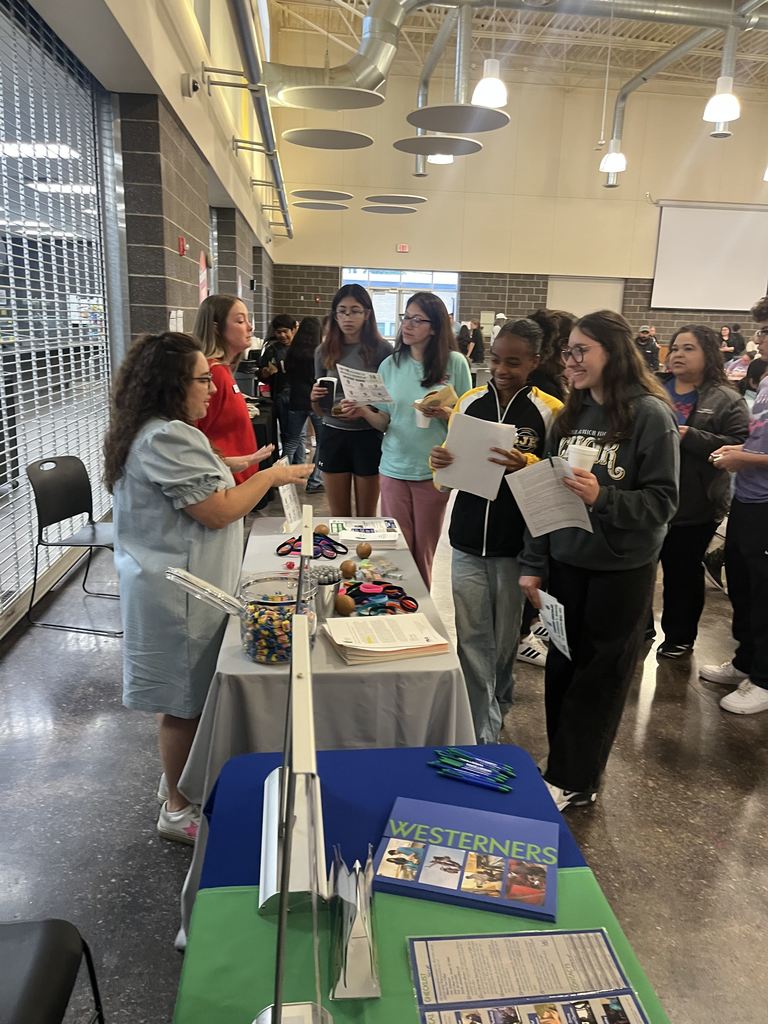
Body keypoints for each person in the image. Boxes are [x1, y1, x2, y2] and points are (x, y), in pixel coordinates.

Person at [103, 333, 312, 843]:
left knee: (188, 696)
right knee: (183, 703)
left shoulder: (162, 432)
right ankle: (177, 809)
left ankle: (177, 783)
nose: (213, 390)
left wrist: (241, 465)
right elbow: (217, 510)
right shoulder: (166, 436)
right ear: (173, 384)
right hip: (177, 594)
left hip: (182, 585)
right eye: (202, 380)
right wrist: (273, 477)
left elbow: (201, 481)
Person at [518, 310, 679, 811]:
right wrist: (534, 561)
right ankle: (565, 767)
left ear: (614, 351)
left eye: (580, 351)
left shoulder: (650, 415)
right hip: (566, 562)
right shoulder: (570, 415)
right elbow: (544, 494)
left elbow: (663, 503)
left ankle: (574, 778)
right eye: (567, 352)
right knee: (563, 668)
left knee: (600, 678)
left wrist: (602, 497)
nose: (571, 362)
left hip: (620, 570)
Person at [430, 318, 562, 742]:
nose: (502, 369)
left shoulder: (551, 412)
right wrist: (439, 467)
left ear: (534, 362)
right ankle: (479, 729)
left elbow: (559, 481)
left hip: (514, 547)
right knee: (471, 639)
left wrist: (525, 464)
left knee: (503, 643)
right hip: (466, 539)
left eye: (514, 362)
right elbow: (445, 477)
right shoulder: (469, 402)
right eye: (496, 360)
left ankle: (498, 704)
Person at [351, 291, 471, 587]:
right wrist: (364, 410)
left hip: (433, 471)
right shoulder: (390, 365)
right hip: (392, 467)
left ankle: (421, 615)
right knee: (396, 553)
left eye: (418, 319)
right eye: (406, 317)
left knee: (423, 552)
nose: (408, 324)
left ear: (435, 327)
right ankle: (395, 609)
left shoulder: (454, 363)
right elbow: (384, 421)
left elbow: (467, 420)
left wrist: (445, 413)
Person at [655, 325, 749, 658]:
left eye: (688, 348)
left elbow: (741, 446)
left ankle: (679, 637)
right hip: (648, 502)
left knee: (682, 573)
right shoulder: (654, 388)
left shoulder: (726, 399)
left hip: (694, 505)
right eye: (675, 347)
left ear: (708, 354)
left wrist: (690, 436)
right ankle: (637, 629)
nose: (678, 354)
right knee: (637, 571)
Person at [699, 301, 768, 714]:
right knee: (741, 585)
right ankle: (746, 662)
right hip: (748, 498)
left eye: (766, 331)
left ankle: (764, 678)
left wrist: (745, 460)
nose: (759, 339)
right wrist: (741, 449)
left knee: (765, 593)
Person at [310, 284, 392, 516]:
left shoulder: (382, 350)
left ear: (367, 314)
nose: (348, 317)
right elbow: (319, 410)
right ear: (334, 314)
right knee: (339, 515)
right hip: (333, 434)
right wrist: (315, 398)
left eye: (355, 311)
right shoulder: (323, 351)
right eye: (342, 311)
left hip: (368, 434)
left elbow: (388, 400)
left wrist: (364, 409)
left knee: (367, 516)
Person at [193, 294, 273, 484]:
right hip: (222, 484)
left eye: (247, 319)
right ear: (216, 328)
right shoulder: (213, 374)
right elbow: (193, 436)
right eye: (239, 320)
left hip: (234, 482)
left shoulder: (223, 370)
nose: (249, 327)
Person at [284, 315, 324, 493]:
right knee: (322, 443)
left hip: (295, 400)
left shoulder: (292, 350)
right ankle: (315, 482)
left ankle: (281, 477)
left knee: (292, 440)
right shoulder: (319, 352)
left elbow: (289, 376)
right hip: (315, 402)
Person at [260, 313, 298, 459]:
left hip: (298, 395)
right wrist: (265, 372)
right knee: (287, 433)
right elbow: (261, 374)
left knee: (297, 435)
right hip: (281, 394)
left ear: (293, 329)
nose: (282, 335)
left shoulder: (301, 348)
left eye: (285, 331)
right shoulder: (272, 350)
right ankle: (288, 466)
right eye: (278, 332)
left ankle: (297, 465)